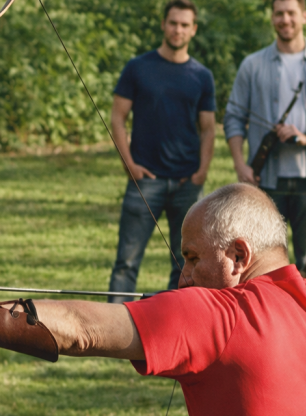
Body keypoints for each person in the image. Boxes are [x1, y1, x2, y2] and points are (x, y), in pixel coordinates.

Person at [0, 183, 306, 416]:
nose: (183, 276)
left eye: (191, 257)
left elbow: (82, 328)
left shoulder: (217, 314)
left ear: (238, 256)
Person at [223, 0, 306, 281]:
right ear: (272, 18)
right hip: (264, 182)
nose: (285, 19)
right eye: (279, 13)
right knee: (261, 265)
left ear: (304, 16)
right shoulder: (252, 65)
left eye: (291, 13)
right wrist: (240, 164)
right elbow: (233, 117)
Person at [106, 0, 216, 303]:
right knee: (126, 263)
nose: (177, 29)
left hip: (186, 183)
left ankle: (173, 326)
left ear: (193, 30)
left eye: (184, 25)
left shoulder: (202, 76)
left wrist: (202, 172)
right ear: (163, 25)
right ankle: (110, 332)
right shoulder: (137, 67)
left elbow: (208, 128)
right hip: (146, 180)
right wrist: (129, 164)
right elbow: (117, 117)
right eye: (173, 23)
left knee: (185, 266)